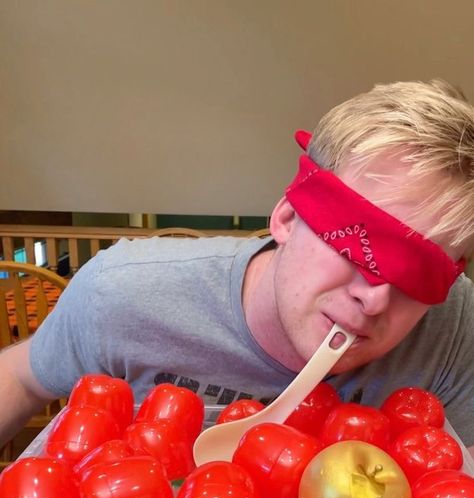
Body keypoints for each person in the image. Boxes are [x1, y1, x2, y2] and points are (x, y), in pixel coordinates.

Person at [1, 78, 473, 453]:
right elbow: (21, 377)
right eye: (358, 245)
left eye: (420, 276)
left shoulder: (455, 331)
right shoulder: (123, 296)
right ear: (287, 217)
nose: (374, 298)